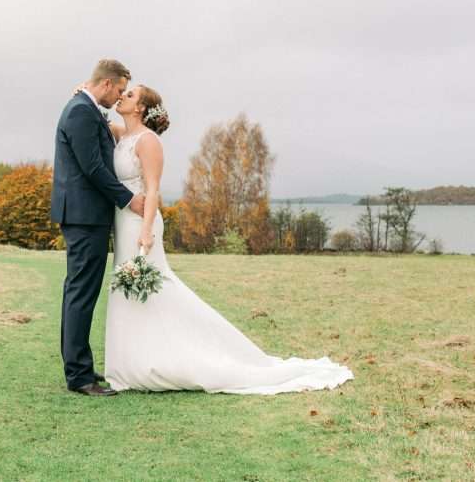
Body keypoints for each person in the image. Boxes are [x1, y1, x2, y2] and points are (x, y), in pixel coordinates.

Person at [103, 85, 354, 394]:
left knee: (154, 286)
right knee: (128, 289)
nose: (122, 96)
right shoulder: (123, 135)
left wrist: (146, 231)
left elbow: (153, 189)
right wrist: (83, 94)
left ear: (141, 108)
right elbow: (100, 120)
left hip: (142, 223)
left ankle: (176, 358)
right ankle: (133, 362)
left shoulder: (148, 141)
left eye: (129, 95)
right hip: (123, 221)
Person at [51, 59, 146, 397]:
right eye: (119, 90)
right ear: (106, 84)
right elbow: (92, 167)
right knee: (81, 293)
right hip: (83, 215)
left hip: (85, 214)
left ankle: (80, 366)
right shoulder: (80, 111)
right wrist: (128, 200)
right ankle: (78, 376)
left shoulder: (86, 108)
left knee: (79, 291)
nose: (119, 97)